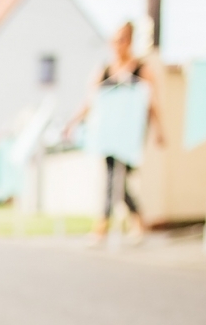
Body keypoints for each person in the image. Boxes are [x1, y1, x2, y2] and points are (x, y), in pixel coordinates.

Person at [66, 21, 166, 241]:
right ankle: (111, 223)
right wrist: (72, 122)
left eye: (121, 40)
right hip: (107, 132)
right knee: (113, 176)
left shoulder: (142, 69)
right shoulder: (104, 70)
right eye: (114, 40)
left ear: (129, 41)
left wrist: (159, 130)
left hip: (130, 134)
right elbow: (89, 101)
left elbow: (153, 103)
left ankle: (127, 221)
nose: (116, 45)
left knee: (119, 178)